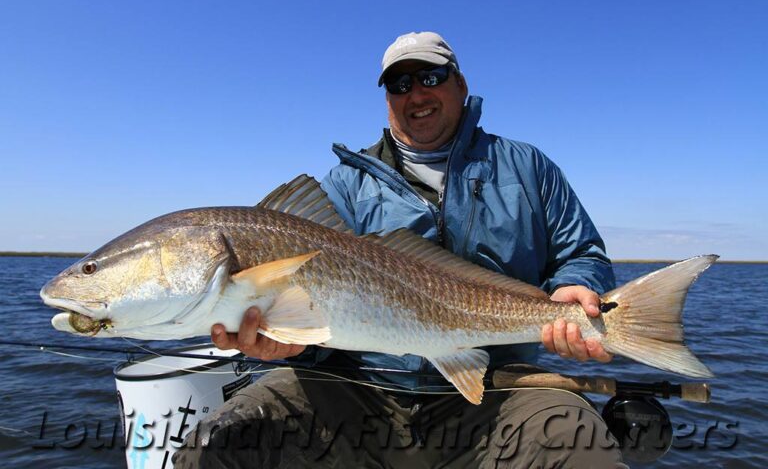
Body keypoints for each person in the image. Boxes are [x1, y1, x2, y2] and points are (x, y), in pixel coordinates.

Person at [174, 32, 627, 468]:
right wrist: (290, 346)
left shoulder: (528, 167)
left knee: (583, 449)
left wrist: (578, 284)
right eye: (400, 83)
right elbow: (312, 311)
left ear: (460, 84)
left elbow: (582, 251)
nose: (416, 94)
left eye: (431, 77)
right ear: (387, 97)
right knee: (215, 446)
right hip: (358, 391)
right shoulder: (344, 187)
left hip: (499, 391)